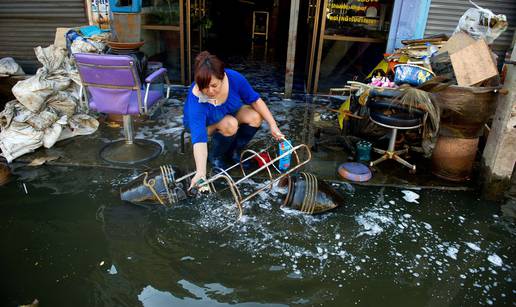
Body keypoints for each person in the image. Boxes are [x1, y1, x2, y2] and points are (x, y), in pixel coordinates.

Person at [183, 51, 284, 189]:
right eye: (204, 88)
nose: (210, 91)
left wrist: (273, 125)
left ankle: (235, 152)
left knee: (255, 116)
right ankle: (216, 157)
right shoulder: (197, 100)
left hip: (226, 113)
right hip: (205, 126)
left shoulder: (234, 78)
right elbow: (199, 138)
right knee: (230, 124)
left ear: (222, 76)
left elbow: (255, 100)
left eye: (214, 85)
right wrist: (201, 172)